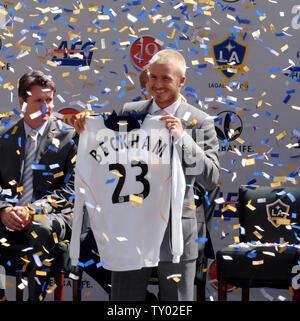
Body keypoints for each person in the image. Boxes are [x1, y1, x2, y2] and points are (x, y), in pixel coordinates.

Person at [74, 48, 219, 301]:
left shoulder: (199, 121)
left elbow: (211, 177)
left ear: (181, 81)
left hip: (175, 235)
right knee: (124, 303)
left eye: (166, 78)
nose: (158, 84)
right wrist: (83, 132)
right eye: (153, 77)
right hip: (130, 227)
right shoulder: (129, 111)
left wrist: (182, 138)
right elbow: (104, 155)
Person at [0, 70, 77, 301]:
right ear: (22, 102)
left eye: (49, 100)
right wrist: (3, 208)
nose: (46, 107)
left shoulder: (70, 137)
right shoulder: (4, 137)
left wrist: (34, 210)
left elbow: (72, 188)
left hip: (54, 216)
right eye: (38, 101)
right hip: (10, 215)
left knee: (41, 229)